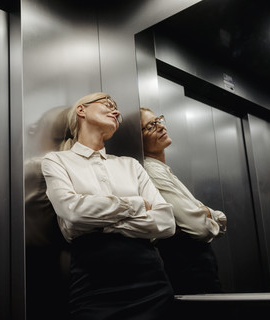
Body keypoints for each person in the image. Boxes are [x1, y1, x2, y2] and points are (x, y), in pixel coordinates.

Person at [41, 92, 176, 320]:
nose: (117, 111)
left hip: (149, 277)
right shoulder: (56, 161)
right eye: (108, 104)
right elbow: (72, 212)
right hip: (94, 279)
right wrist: (135, 205)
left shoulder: (130, 165)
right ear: (81, 110)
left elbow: (166, 222)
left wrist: (101, 225)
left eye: (117, 109)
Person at [140, 107, 227, 295]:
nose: (160, 127)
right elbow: (199, 227)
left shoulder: (163, 170)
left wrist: (206, 213)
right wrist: (210, 215)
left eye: (159, 120)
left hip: (199, 266)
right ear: (138, 140)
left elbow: (200, 220)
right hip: (188, 268)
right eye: (150, 126)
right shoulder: (150, 170)